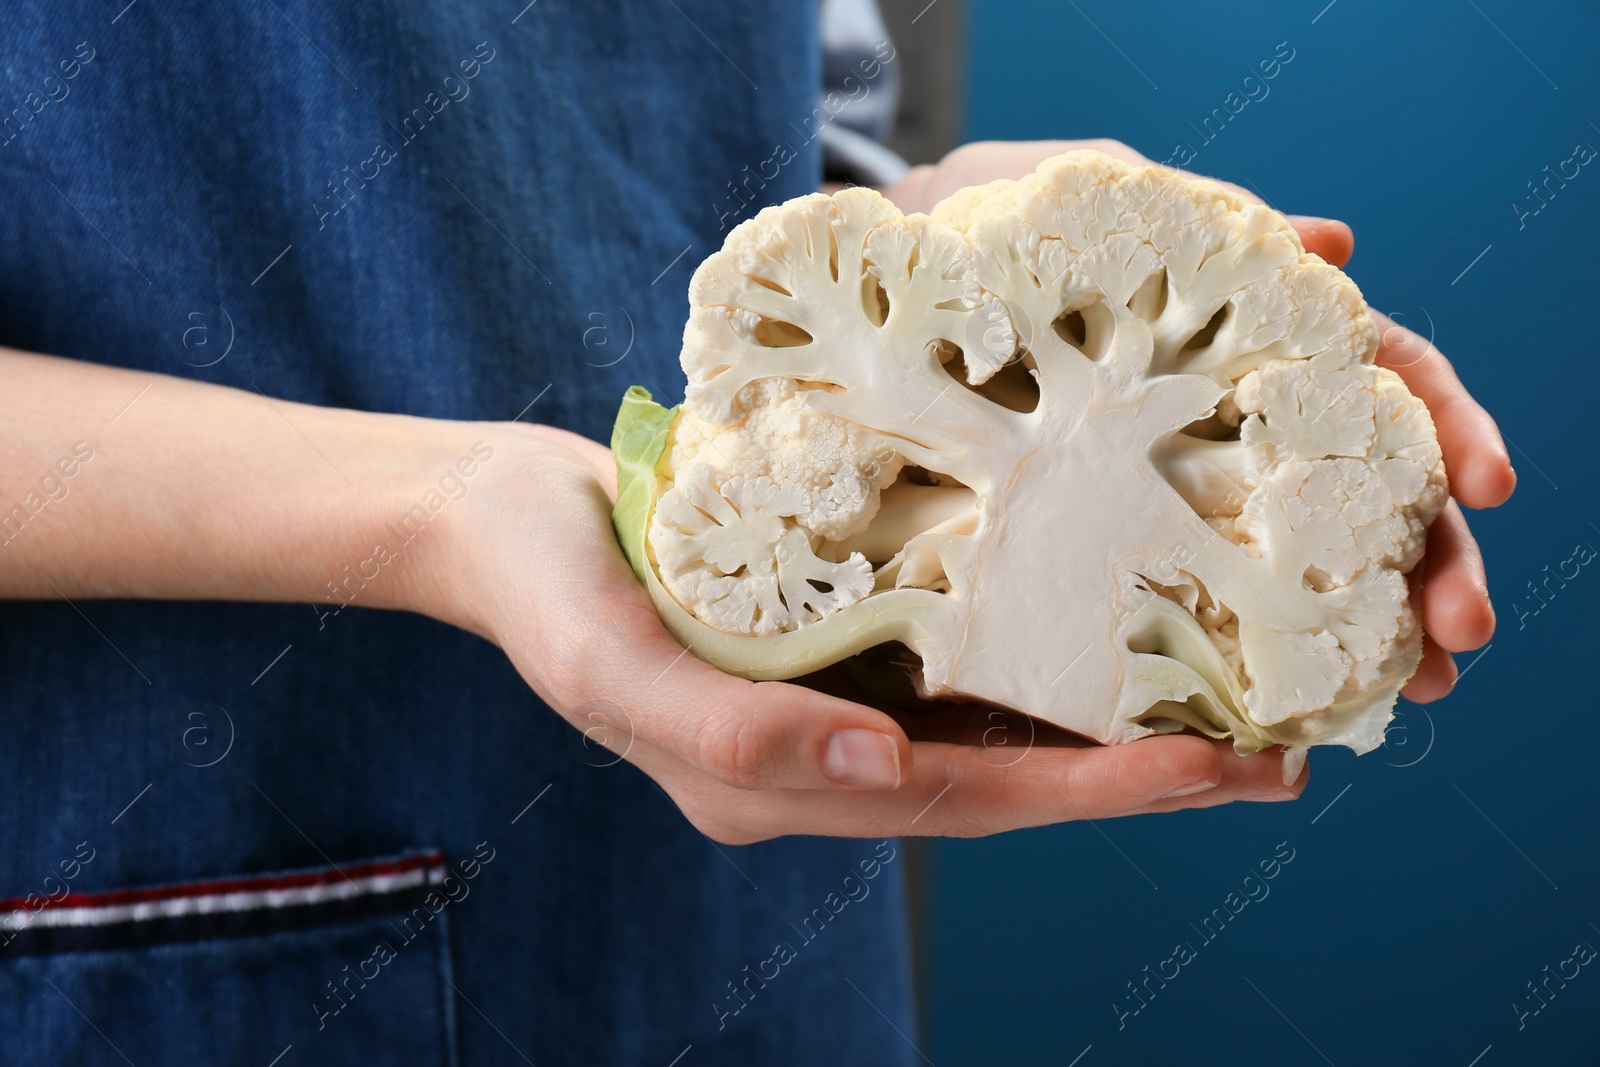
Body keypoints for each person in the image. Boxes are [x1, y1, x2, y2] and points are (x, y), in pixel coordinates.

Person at [0, 3, 1511, 1063]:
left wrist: (951, 228)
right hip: (176, 859)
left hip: (753, 928)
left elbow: (789, 110)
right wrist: (439, 516)